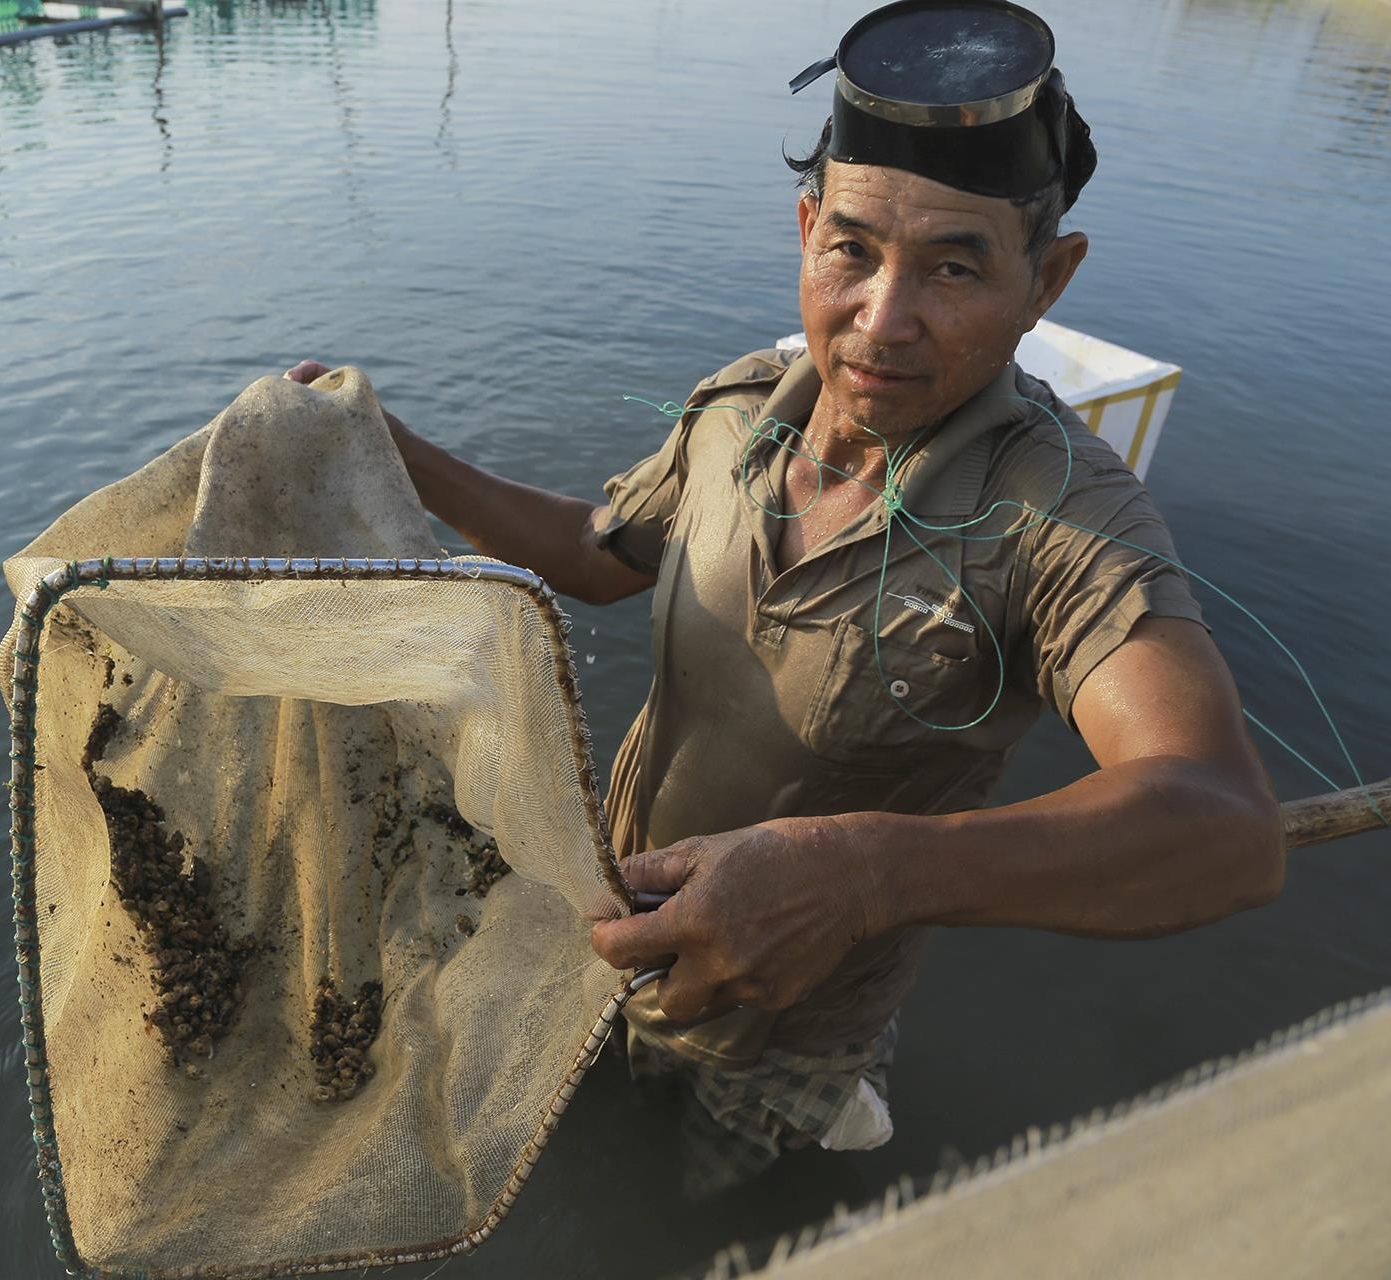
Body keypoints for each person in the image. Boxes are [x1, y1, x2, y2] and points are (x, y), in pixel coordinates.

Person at [286, 0, 1283, 1189]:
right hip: (607, 936)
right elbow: (601, 554)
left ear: (1046, 280)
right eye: (853, 250)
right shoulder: (740, 413)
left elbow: (1224, 825)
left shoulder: (1062, 520)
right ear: (807, 228)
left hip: (781, 1029)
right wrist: (392, 448)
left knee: (688, 1208)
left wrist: (861, 875)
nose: (883, 319)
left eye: (956, 264)